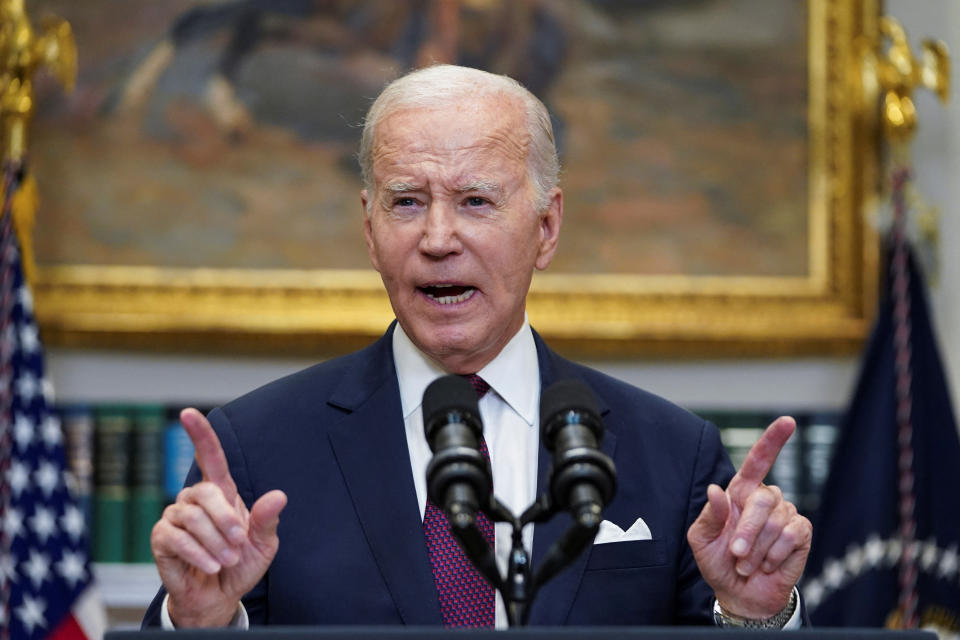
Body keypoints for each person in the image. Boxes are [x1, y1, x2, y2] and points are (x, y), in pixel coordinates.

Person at [142, 64, 812, 629]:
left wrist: (755, 616)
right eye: (406, 202)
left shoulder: (672, 453)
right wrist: (201, 622)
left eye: (475, 202)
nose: (438, 238)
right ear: (370, 230)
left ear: (546, 227)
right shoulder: (256, 450)